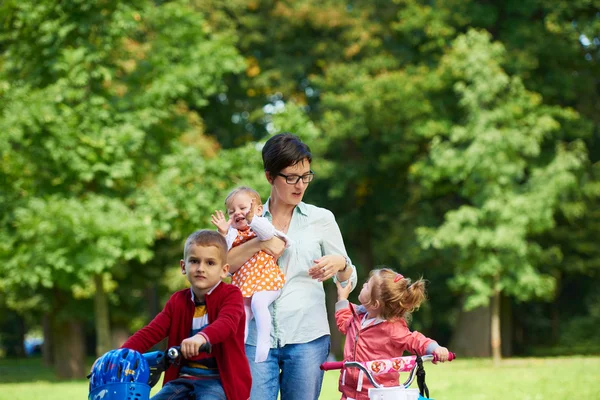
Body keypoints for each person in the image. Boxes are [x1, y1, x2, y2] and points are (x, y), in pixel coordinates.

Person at [227, 132, 358, 400]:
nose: (300, 185)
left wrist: (341, 263)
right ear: (269, 177)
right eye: (291, 177)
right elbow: (223, 267)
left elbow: (348, 278)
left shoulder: (321, 219)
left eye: (306, 176)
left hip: (308, 338)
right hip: (253, 339)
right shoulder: (246, 220)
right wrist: (261, 244)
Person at [120, 230, 251, 400]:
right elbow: (151, 332)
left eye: (210, 263)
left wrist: (201, 338)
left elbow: (227, 323)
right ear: (183, 266)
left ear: (224, 270)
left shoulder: (231, 295)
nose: (201, 269)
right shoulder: (178, 301)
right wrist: (117, 357)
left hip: (219, 380)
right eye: (194, 261)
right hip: (184, 378)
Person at [334, 268, 450, 400]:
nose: (364, 285)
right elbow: (343, 322)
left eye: (367, 286)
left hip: (379, 394)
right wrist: (342, 298)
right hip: (349, 392)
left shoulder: (392, 328)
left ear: (375, 303)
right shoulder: (358, 315)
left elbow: (415, 340)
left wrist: (435, 349)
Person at [211, 186, 289, 363]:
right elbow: (224, 253)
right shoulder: (233, 234)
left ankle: (264, 343)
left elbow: (267, 234)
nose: (238, 213)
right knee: (242, 314)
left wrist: (253, 218)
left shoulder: (260, 225)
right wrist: (222, 233)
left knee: (258, 302)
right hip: (245, 282)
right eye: (232, 211)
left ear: (258, 210)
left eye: (242, 208)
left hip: (267, 279)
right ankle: (238, 348)